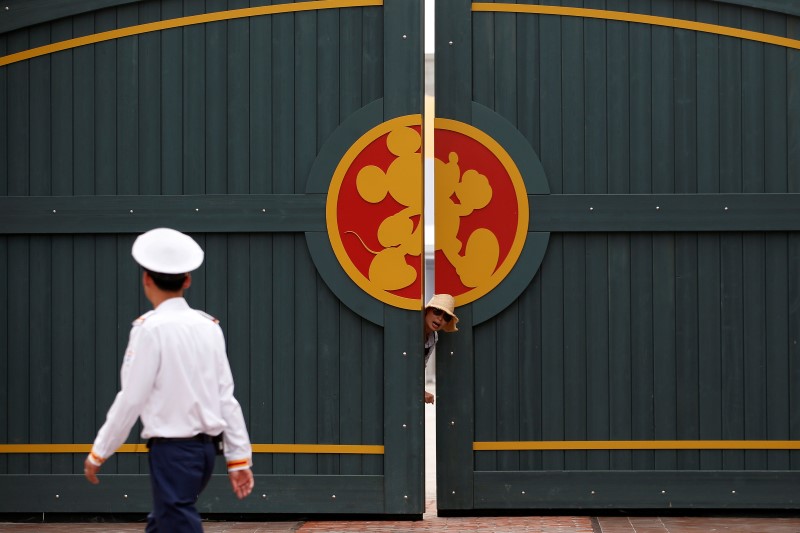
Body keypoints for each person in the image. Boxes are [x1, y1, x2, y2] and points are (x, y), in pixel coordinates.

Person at [84, 227, 254, 532]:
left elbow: (131, 398)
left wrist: (100, 451)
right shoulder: (209, 327)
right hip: (204, 453)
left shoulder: (150, 330)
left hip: (173, 452)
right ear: (187, 280)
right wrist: (238, 457)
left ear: (146, 278)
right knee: (163, 522)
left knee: (176, 519)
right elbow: (226, 397)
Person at [423, 294, 459, 404]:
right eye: (437, 311)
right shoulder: (411, 328)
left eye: (446, 317)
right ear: (427, 311)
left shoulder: (434, 338)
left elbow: (421, 366)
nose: (440, 318)